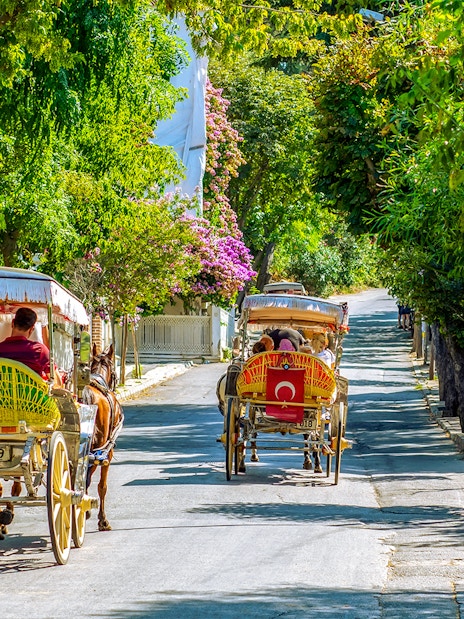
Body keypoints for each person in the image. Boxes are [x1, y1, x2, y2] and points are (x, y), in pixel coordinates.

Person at [0, 307, 56, 381]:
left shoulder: (1, 349)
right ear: (32, 328)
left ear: (13, 323)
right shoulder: (39, 350)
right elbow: (56, 382)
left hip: (4, 392)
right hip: (32, 392)